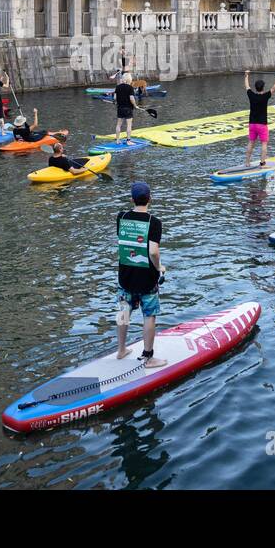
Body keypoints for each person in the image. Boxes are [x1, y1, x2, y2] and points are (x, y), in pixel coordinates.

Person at [115, 181, 166, 369]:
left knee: (123, 311)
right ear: (150, 198)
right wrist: (159, 267)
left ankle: (121, 350)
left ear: (132, 199)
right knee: (149, 315)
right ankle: (148, 358)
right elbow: (153, 251)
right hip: (147, 279)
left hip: (125, 276)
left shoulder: (122, 217)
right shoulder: (154, 222)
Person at [244, 69, 275, 166]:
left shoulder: (251, 95)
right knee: (264, 144)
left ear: (256, 88)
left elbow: (247, 86)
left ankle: (247, 162)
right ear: (263, 87)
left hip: (252, 124)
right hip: (262, 125)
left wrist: (246, 75)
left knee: (251, 142)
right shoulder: (266, 96)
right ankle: (262, 163)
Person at [112, 72, 138, 142]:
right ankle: (128, 141)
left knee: (118, 124)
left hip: (120, 108)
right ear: (129, 79)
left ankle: (117, 140)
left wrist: (115, 102)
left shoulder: (117, 87)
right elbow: (131, 98)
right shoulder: (130, 88)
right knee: (129, 125)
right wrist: (135, 105)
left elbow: (114, 98)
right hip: (128, 109)